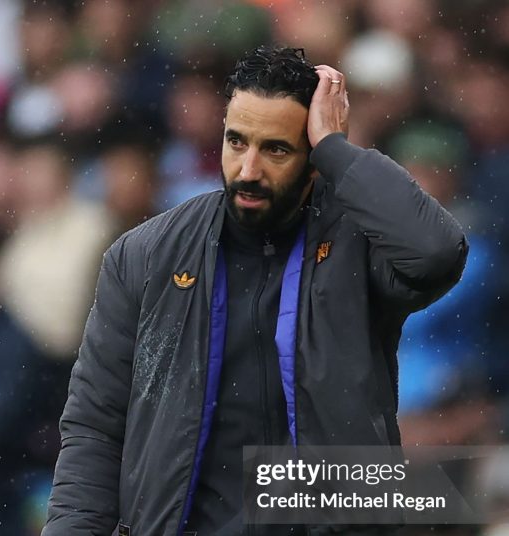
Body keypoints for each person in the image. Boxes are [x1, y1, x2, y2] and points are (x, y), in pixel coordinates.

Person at [42, 46, 467, 536]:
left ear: (313, 161)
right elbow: (95, 428)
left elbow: (436, 252)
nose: (247, 169)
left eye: (276, 149)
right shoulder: (145, 256)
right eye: (236, 141)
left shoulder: (357, 243)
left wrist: (338, 151)